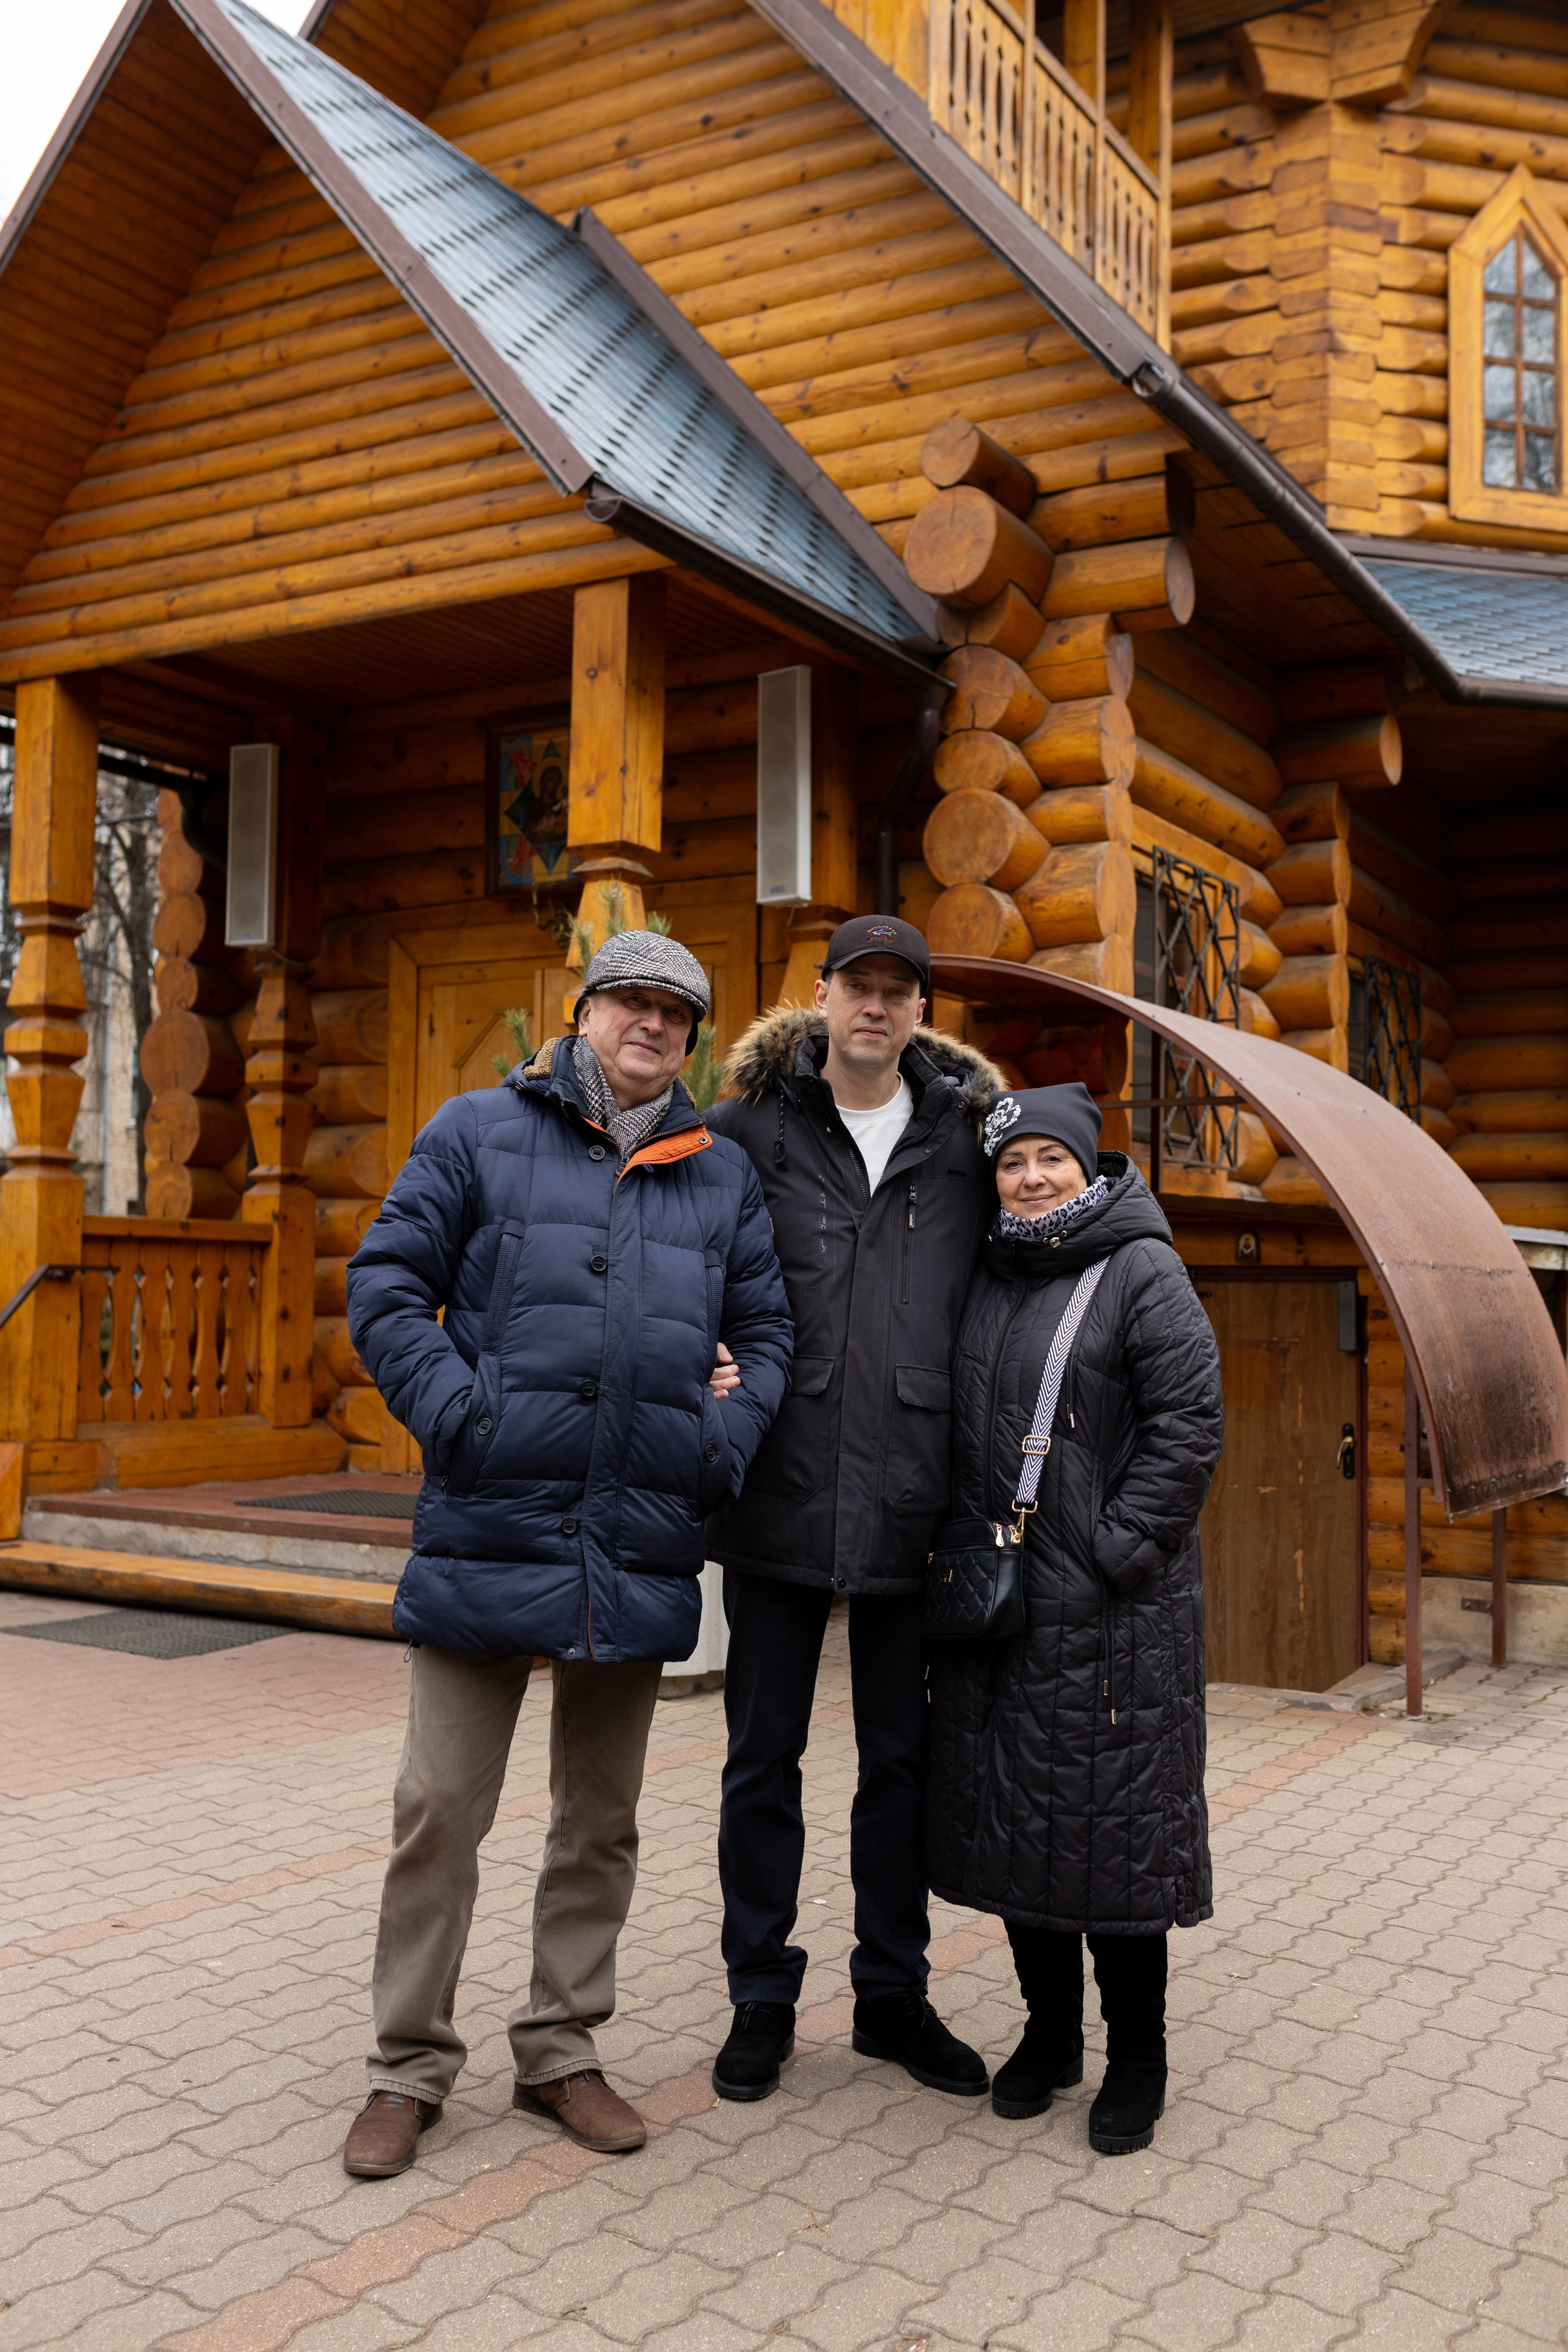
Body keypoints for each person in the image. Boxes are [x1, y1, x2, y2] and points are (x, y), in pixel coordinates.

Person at [341, 931, 792, 2177]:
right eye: (630, 1002)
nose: (652, 1025)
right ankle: (406, 2067)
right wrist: (461, 1413)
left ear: (692, 1039)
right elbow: (386, 1284)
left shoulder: (718, 1174)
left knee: (600, 1819)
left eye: (675, 1013)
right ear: (583, 1012)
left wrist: (717, 1438)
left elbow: (766, 1330)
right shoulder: (478, 1130)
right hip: (489, 1520)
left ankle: (560, 2050)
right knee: (439, 1808)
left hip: (638, 1530)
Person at [703, 914, 1001, 2103]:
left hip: (914, 1494)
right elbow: (684, 1263)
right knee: (759, 1759)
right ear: (820, 996)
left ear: (921, 1011)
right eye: (856, 986)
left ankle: (891, 1994)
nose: (875, 1007)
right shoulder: (746, 1131)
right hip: (778, 1485)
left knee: (901, 1760)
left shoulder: (967, 1143)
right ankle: (760, 1997)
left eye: (897, 990)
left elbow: (1023, 1273)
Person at [925, 1083, 1224, 2155]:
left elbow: (1190, 1420)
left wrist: (1120, 1549)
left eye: (1051, 1157)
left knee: (1118, 1833)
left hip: (1111, 1614)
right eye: (1012, 1163)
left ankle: (1138, 2057)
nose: (1031, 1178)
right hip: (1003, 1609)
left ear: (1088, 1164)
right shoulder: (990, 1271)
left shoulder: (1141, 1269)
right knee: (1017, 1823)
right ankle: (1049, 2035)